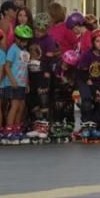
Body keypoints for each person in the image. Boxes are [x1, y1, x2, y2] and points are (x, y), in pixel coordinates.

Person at [75, 29, 100, 142]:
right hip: (85, 81)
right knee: (88, 101)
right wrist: (94, 91)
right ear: (93, 42)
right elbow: (83, 74)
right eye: (97, 41)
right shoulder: (87, 55)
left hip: (99, 82)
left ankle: (96, 126)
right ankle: (86, 127)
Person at [28, 13, 59, 142]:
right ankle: (37, 125)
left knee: (43, 98)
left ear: (46, 29)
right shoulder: (32, 39)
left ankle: (45, 126)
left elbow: (51, 58)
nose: (38, 33)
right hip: (32, 72)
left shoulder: (49, 40)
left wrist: (47, 71)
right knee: (33, 99)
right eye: (36, 30)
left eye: (41, 31)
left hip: (43, 73)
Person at [4, 24, 32, 144]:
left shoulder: (25, 52)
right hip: (14, 83)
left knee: (21, 107)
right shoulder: (13, 49)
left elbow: (25, 68)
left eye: (26, 41)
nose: (24, 43)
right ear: (16, 38)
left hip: (22, 83)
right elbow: (7, 66)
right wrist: (12, 80)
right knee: (14, 106)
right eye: (22, 40)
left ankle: (17, 128)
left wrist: (26, 83)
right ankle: (9, 130)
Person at [51, 50, 79, 142]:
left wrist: (67, 82)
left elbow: (73, 85)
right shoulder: (56, 66)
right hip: (56, 91)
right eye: (65, 63)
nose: (66, 66)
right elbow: (51, 82)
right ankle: (57, 122)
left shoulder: (73, 71)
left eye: (68, 65)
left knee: (69, 104)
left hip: (67, 92)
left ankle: (70, 123)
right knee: (58, 103)